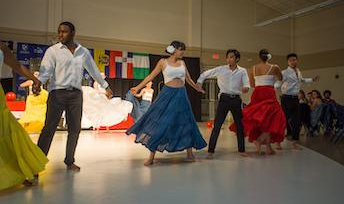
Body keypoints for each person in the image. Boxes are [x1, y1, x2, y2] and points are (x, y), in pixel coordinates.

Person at [37, 21, 113, 171]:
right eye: (59, 32)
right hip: (57, 93)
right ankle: (36, 165)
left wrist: (105, 86)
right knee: (49, 129)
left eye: (64, 32)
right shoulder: (53, 51)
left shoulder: (82, 52)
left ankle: (69, 161)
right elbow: (45, 70)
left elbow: (93, 70)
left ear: (72, 33)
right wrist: (38, 83)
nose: (60, 35)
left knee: (74, 129)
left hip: (76, 95)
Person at [126, 41, 207, 166]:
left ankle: (190, 153)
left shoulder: (182, 63)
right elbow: (150, 77)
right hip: (167, 94)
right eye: (181, 50)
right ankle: (151, 156)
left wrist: (197, 88)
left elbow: (188, 79)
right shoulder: (163, 62)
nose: (183, 52)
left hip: (181, 95)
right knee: (161, 122)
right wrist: (138, 87)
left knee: (186, 122)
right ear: (174, 50)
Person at [0, 42, 48, 190]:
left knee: (7, 131)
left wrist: (34, 79)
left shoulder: (1, 46)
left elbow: (17, 66)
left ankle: (22, 170)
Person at [195, 49, 250, 159]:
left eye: (231, 57)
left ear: (237, 59)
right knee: (217, 125)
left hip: (236, 100)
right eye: (228, 57)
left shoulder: (242, 71)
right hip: (224, 99)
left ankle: (242, 150)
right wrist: (199, 83)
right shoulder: (221, 69)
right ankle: (211, 151)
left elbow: (246, 84)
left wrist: (245, 88)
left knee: (239, 126)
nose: (229, 59)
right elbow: (205, 74)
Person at [242, 49, 285, 155]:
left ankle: (265, 145)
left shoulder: (253, 68)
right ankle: (263, 142)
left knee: (260, 117)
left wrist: (260, 82)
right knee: (272, 117)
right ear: (269, 56)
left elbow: (252, 85)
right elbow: (281, 78)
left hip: (258, 92)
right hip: (269, 92)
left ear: (259, 57)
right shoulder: (275, 67)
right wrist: (273, 84)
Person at [276, 53, 319, 149]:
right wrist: (268, 88)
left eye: (295, 59)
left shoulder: (298, 71)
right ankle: (278, 141)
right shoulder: (284, 72)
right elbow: (278, 83)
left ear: (297, 60)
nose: (293, 61)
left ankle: (295, 143)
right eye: (291, 60)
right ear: (288, 62)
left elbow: (302, 80)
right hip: (286, 98)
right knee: (283, 120)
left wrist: (312, 79)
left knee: (297, 121)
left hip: (296, 98)